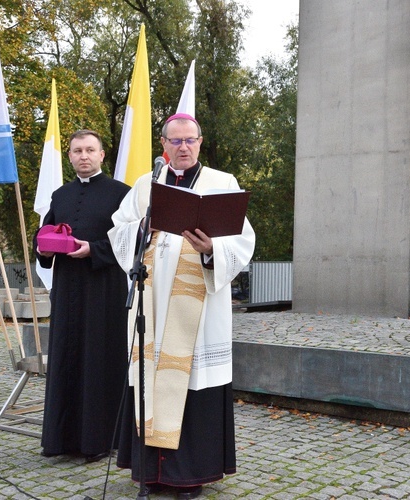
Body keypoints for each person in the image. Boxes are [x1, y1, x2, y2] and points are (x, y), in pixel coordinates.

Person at [108, 113, 255, 499]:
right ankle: (150, 473)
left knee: (193, 387)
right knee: (150, 383)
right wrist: (143, 227)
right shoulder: (145, 185)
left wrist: (213, 250)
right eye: (176, 141)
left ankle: (190, 476)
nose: (184, 147)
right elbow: (118, 230)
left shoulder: (222, 183)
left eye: (190, 140)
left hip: (199, 312)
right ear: (164, 145)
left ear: (200, 143)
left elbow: (242, 241)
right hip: (151, 309)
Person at [35, 130, 131, 461]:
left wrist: (94, 250)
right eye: (77, 151)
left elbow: (131, 242)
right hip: (67, 292)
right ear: (70, 156)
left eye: (90, 150)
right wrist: (44, 249)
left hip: (104, 289)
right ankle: (61, 440)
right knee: (66, 358)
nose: (84, 156)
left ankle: (99, 441)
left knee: (100, 359)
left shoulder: (123, 194)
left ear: (103, 155)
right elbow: (45, 236)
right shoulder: (60, 195)